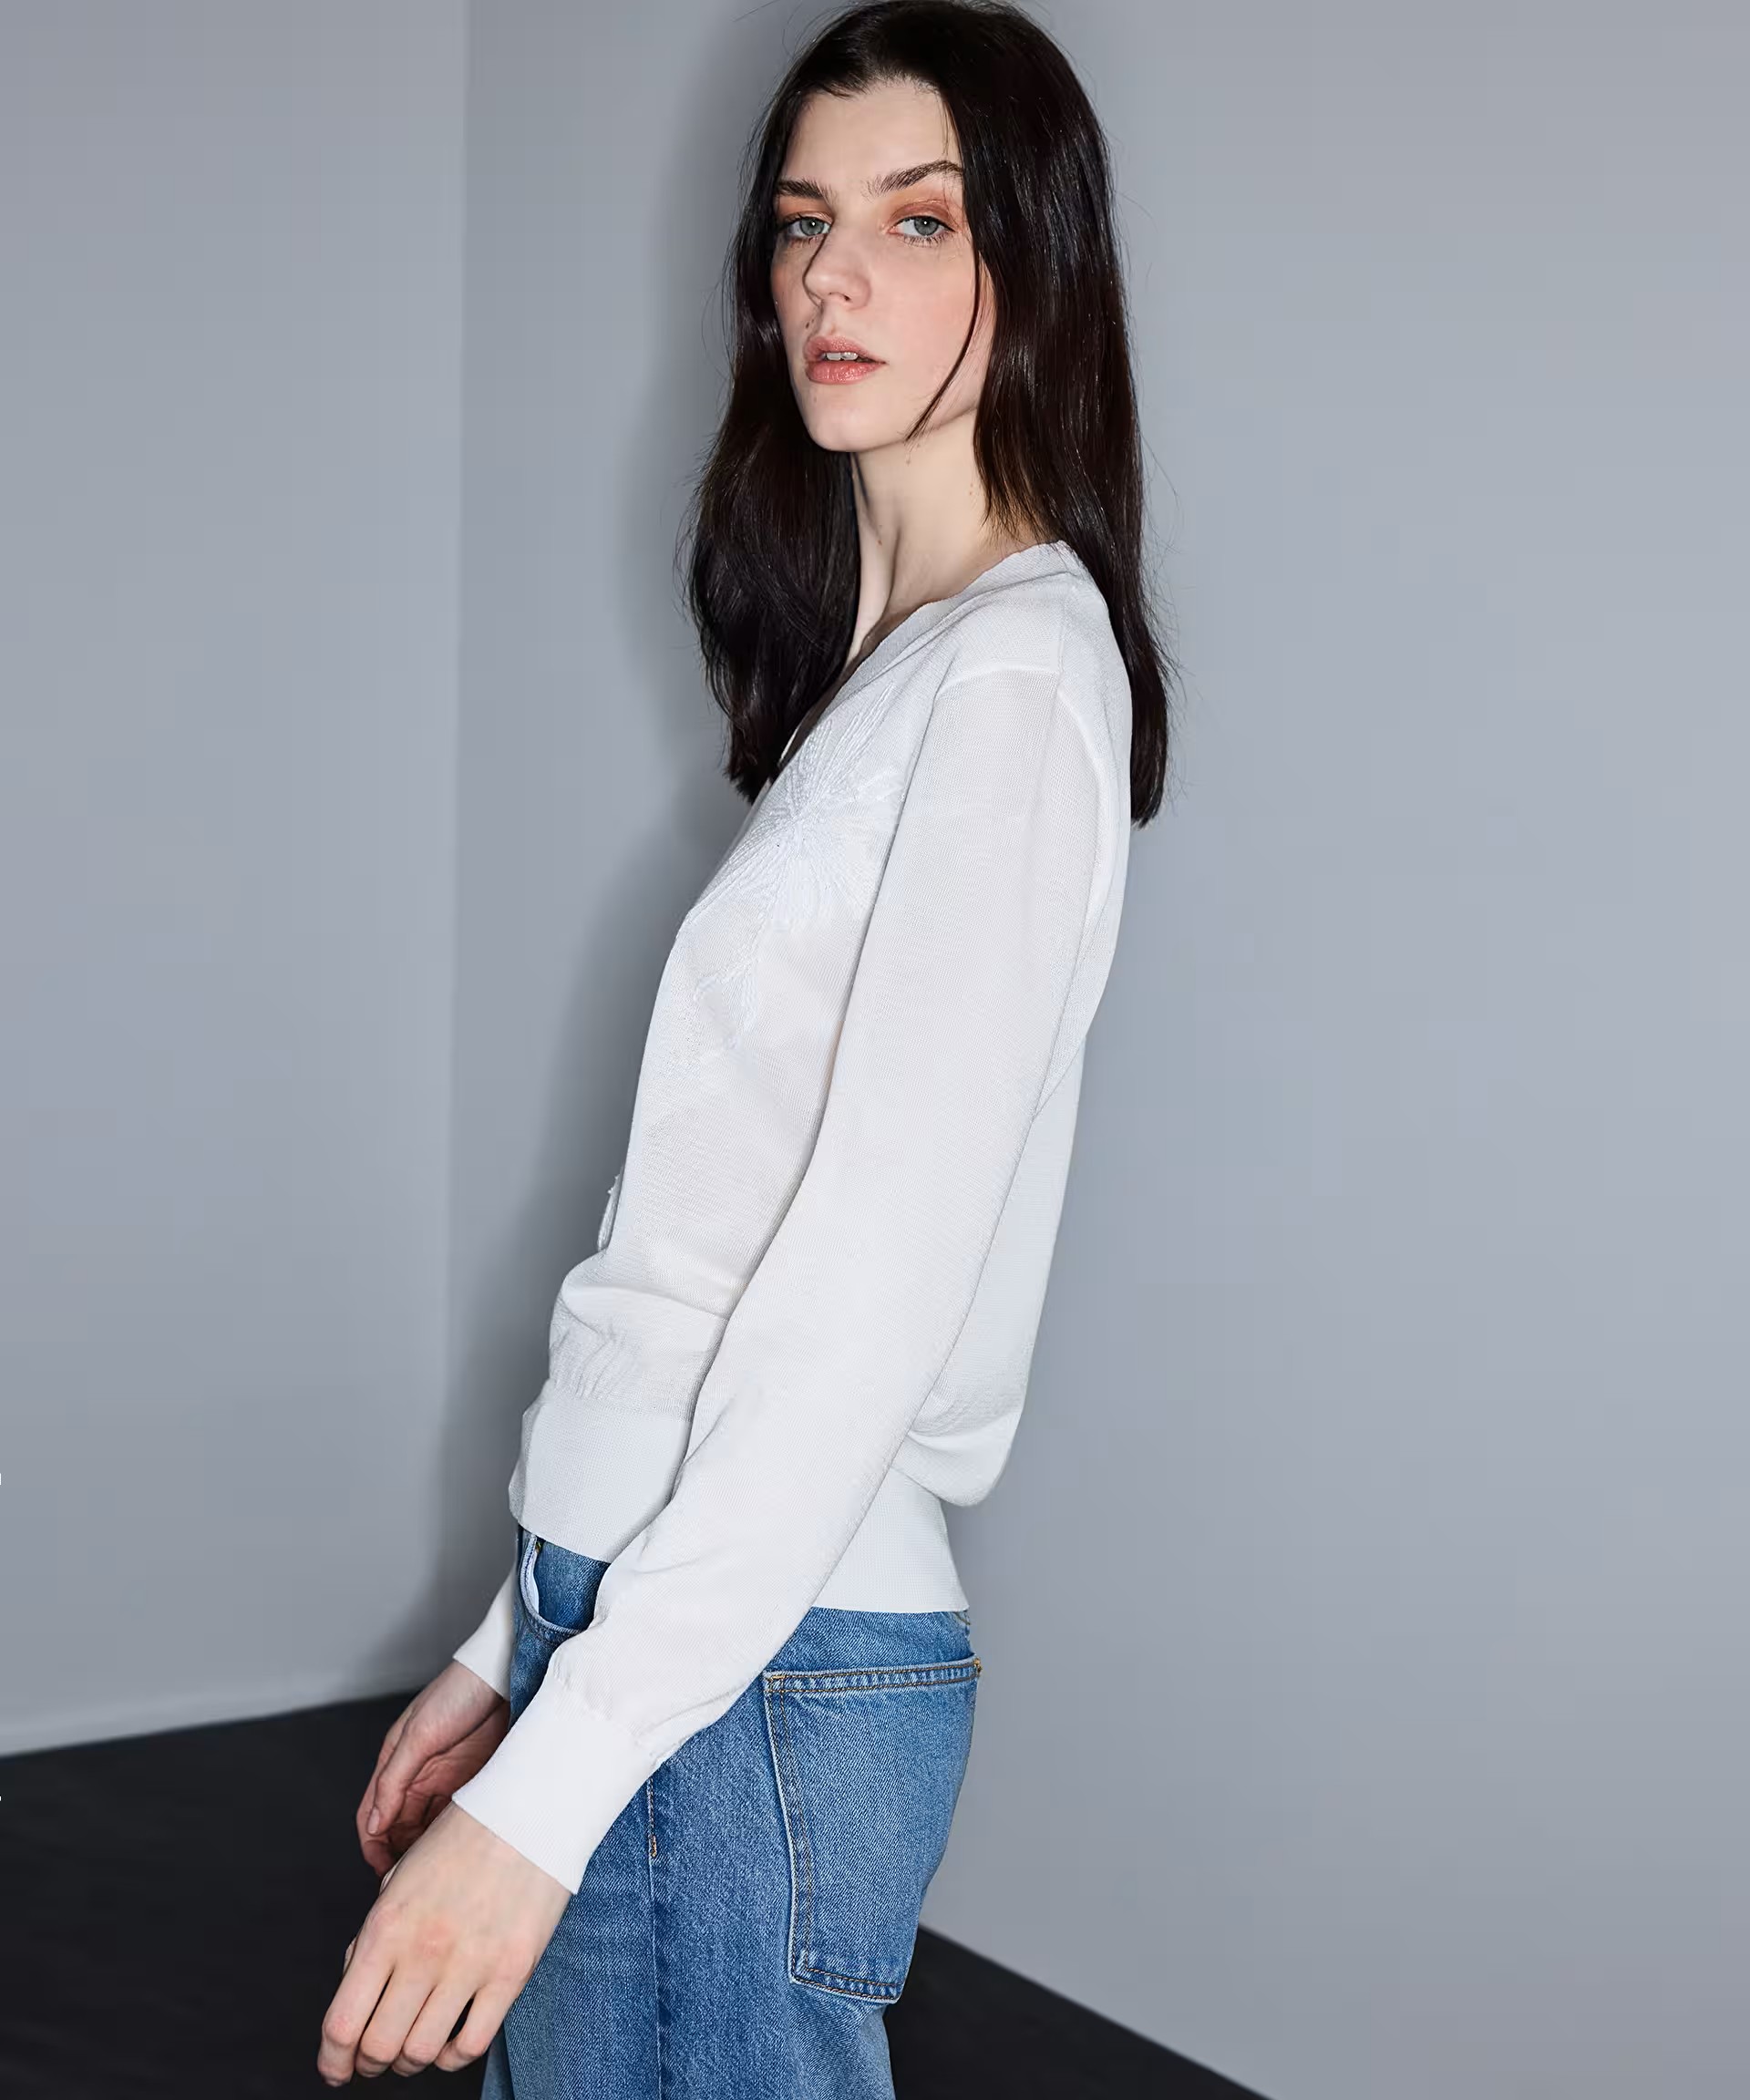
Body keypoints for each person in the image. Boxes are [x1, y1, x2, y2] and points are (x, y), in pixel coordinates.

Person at [316, 2, 1175, 2091]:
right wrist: (519, 1634)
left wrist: (563, 1766)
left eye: (916, 218)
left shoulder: (1011, 684)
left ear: (1036, 263)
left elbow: (861, 1301)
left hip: (754, 1674)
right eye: (803, 221)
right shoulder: (889, 685)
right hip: (665, 1623)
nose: (832, 278)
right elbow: (702, 1246)